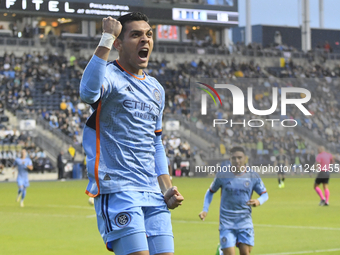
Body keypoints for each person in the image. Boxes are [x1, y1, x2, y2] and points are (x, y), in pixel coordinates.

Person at [79, 12, 184, 255]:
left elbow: (156, 142)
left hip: (152, 192)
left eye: (148, 34)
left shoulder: (156, 89)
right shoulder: (109, 76)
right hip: (118, 189)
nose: (145, 40)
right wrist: (106, 37)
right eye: (135, 35)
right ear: (118, 44)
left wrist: (166, 188)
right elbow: (87, 93)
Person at [199, 146, 268, 255]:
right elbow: (210, 192)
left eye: (240, 158)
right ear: (230, 159)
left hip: (245, 222)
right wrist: (205, 210)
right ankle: (222, 251)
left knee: (245, 253)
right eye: (234, 158)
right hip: (227, 223)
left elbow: (265, 194)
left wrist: (259, 201)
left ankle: (221, 250)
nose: (237, 161)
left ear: (245, 158)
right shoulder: (223, 175)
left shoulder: (252, 176)